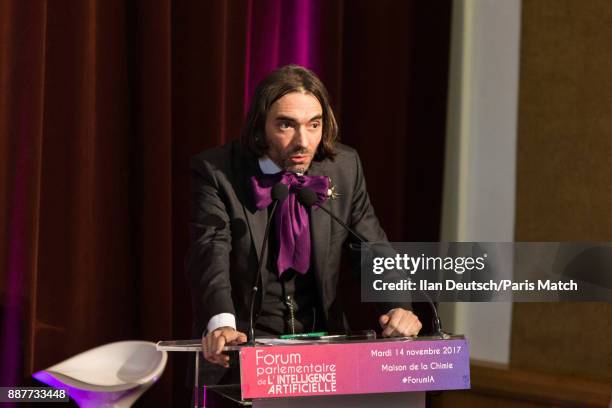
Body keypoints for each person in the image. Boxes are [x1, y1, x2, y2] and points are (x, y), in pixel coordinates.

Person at [186, 64, 421, 383]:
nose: (303, 141)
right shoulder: (217, 171)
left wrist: (399, 307)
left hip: (323, 353)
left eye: (314, 125)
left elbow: (371, 247)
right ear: (260, 126)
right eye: (286, 125)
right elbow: (210, 250)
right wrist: (221, 324)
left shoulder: (343, 166)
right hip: (243, 351)